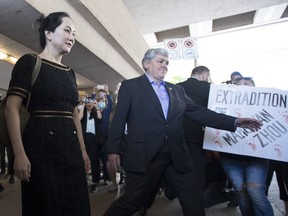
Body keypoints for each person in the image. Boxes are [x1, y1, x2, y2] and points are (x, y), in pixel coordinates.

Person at [103, 48, 262, 216]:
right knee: (132, 201)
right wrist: (113, 149)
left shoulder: (177, 91)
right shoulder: (131, 86)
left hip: (176, 155)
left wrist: (234, 121)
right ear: (146, 64)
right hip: (145, 155)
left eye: (167, 62)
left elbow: (201, 113)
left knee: (193, 199)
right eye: (160, 61)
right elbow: (119, 119)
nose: (165, 65)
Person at [5, 12, 91, 216]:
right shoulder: (30, 62)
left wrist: (83, 150)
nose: (72, 36)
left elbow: (73, 116)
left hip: (70, 153)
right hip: (40, 152)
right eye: (67, 30)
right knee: (45, 206)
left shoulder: (70, 73)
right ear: (49, 34)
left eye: (74, 34)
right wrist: (19, 153)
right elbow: (11, 108)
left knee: (75, 205)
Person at [219, 77, 274, 216]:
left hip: (257, 159)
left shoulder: (267, 107)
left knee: (255, 192)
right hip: (230, 159)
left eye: (247, 84)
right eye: (239, 84)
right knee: (241, 192)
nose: (243, 86)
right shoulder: (224, 105)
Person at [79, 97, 102, 193]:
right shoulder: (83, 112)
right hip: (84, 139)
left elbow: (100, 118)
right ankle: (84, 181)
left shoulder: (95, 113)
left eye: (91, 102)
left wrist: (96, 107)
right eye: (87, 102)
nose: (89, 104)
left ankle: (95, 182)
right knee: (83, 160)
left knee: (94, 160)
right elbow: (79, 118)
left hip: (94, 139)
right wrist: (83, 105)